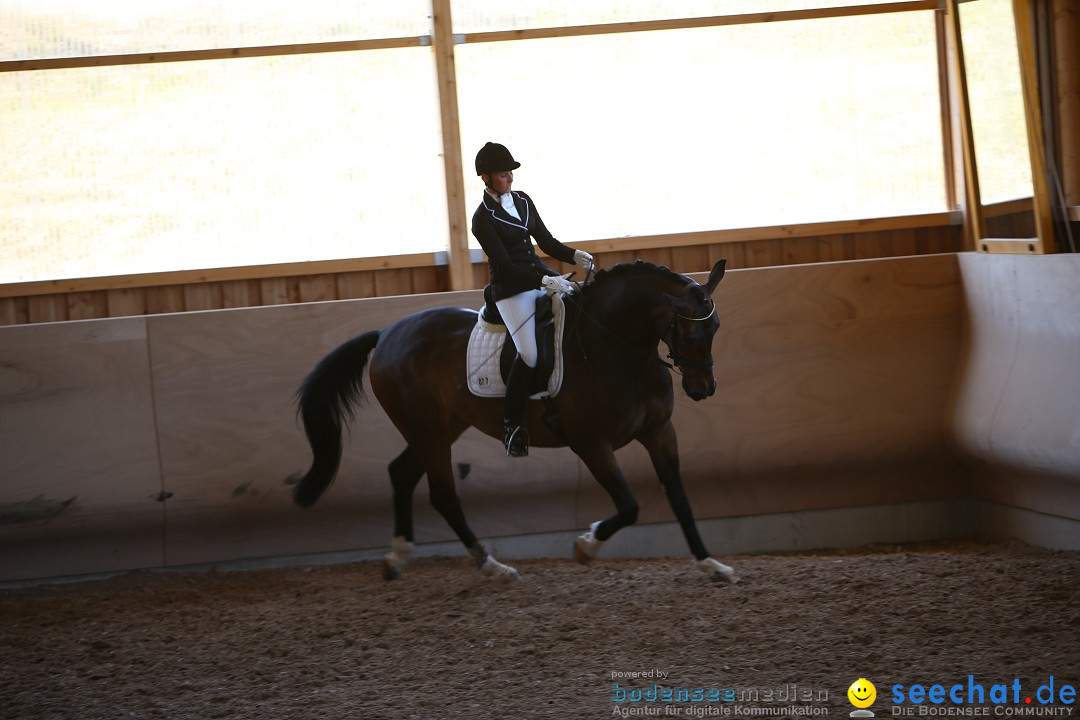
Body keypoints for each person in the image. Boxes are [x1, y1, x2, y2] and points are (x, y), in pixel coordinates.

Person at [470, 141, 594, 458]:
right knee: (529, 354)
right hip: (511, 290)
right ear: (485, 177)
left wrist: (574, 255)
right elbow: (506, 266)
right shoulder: (482, 218)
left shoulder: (523, 201)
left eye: (510, 173)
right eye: (502, 174)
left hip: (541, 275)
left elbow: (546, 241)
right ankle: (511, 425)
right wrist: (542, 279)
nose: (509, 179)